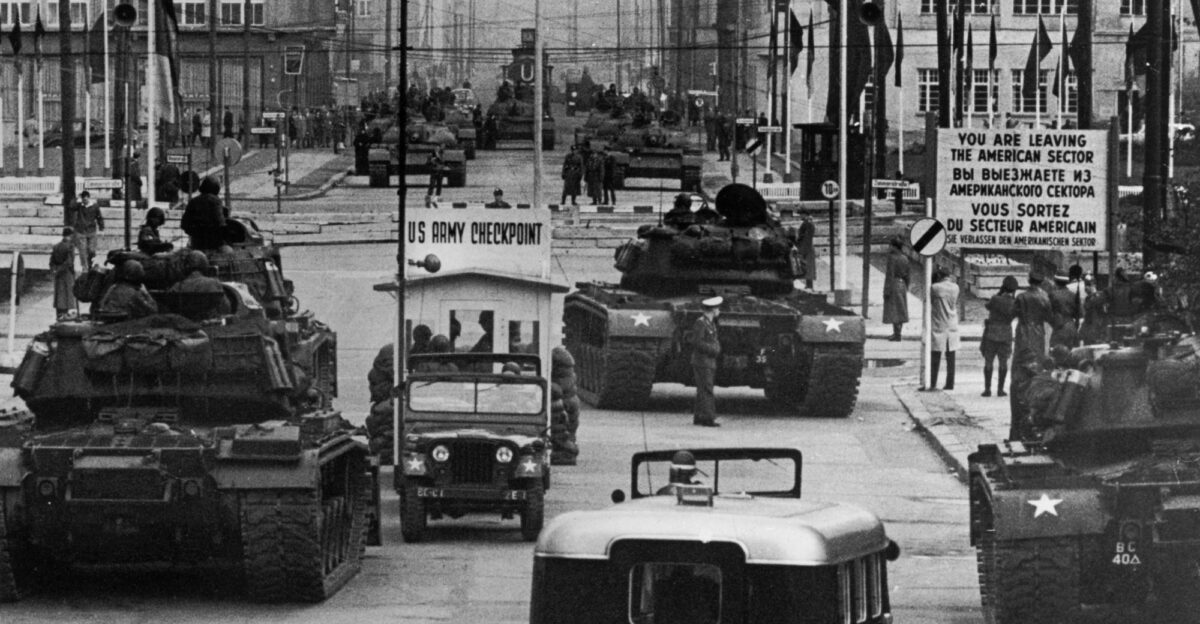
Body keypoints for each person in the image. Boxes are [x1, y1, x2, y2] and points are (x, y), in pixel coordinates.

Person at [1010, 272, 1053, 440]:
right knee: (1036, 368)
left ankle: (1017, 430)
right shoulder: (1045, 298)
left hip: (1024, 332)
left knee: (1020, 370)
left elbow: (1012, 313)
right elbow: (1049, 317)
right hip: (1038, 334)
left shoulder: (1022, 296)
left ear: (1029, 281)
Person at [981, 276, 1019, 397]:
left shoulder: (995, 299)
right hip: (1006, 333)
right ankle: (1000, 389)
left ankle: (987, 389)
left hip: (992, 332)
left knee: (988, 361)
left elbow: (987, 306)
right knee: (1003, 362)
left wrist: (998, 294)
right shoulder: (1014, 302)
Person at [924, 270, 960, 391]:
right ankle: (950, 383)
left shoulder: (935, 288)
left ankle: (932, 382)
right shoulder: (956, 288)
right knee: (951, 356)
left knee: (935, 355)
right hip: (952, 323)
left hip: (939, 323)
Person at [690, 296, 722, 427]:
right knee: (707, 388)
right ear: (713, 310)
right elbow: (696, 342)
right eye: (717, 308)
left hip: (708, 361)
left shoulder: (710, 323)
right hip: (702, 361)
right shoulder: (701, 323)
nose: (719, 311)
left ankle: (699, 416)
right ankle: (708, 418)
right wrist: (713, 350)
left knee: (702, 389)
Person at [167, 251, 228, 320]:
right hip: (210, 323)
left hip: (185, 324)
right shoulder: (214, 283)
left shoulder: (176, 287)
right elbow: (226, 308)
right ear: (204, 265)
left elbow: (170, 309)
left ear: (185, 267)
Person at [181, 176, 229, 250]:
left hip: (196, 241)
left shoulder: (193, 201)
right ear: (216, 188)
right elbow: (220, 222)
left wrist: (195, 233)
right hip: (213, 242)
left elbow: (184, 224)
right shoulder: (216, 201)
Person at [882, 236, 910, 341]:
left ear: (894, 246)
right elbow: (908, 274)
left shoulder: (892, 258)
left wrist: (886, 289)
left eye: (891, 245)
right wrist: (906, 285)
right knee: (901, 309)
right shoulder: (905, 258)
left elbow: (890, 274)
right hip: (902, 284)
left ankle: (897, 334)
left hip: (894, 284)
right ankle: (898, 333)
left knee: (894, 310)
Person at [50, 228, 76, 320]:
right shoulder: (70, 246)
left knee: (59, 294)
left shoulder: (56, 246)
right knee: (67, 294)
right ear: (70, 235)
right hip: (67, 273)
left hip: (58, 273)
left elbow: (51, 261)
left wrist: (55, 270)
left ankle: (59, 314)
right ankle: (65, 315)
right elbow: (69, 262)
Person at [73, 191, 104, 268]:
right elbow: (70, 206)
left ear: (89, 198)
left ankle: (90, 263)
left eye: (86, 200)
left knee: (91, 250)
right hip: (81, 231)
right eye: (83, 200)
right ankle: (85, 267)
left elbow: (99, 217)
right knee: (82, 251)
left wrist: (101, 227)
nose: (85, 201)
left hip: (91, 230)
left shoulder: (95, 206)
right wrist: (76, 199)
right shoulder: (79, 206)